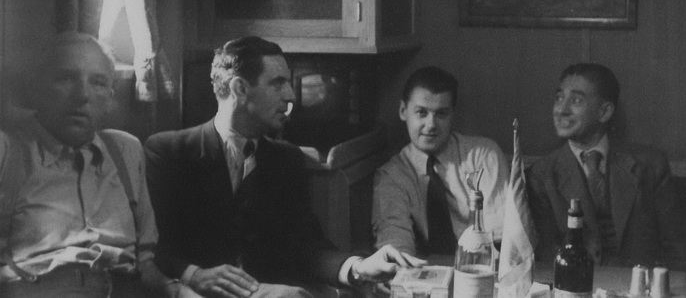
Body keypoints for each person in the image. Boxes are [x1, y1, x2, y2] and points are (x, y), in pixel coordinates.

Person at [145, 36, 423, 298]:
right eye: (277, 84)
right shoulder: (170, 153)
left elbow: (306, 247)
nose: (290, 95)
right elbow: (152, 247)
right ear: (240, 89)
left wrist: (358, 267)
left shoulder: (285, 160)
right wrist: (193, 275)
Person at [0, 32, 182, 297]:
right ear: (35, 88)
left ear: (109, 97)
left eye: (98, 83)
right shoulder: (8, 152)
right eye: (65, 78)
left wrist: (180, 289)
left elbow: (145, 264)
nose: (82, 95)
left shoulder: (125, 150)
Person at [526, 63, 686, 274]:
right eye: (559, 98)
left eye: (576, 100)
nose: (562, 110)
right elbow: (548, 259)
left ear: (604, 112)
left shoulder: (650, 165)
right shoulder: (541, 175)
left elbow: (678, 248)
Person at [372, 66, 509, 258]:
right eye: (421, 112)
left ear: (453, 114)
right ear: (403, 111)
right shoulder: (392, 176)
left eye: (441, 113)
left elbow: (502, 235)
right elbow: (395, 245)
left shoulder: (483, 156)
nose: (431, 125)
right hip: (426, 272)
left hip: (482, 266)